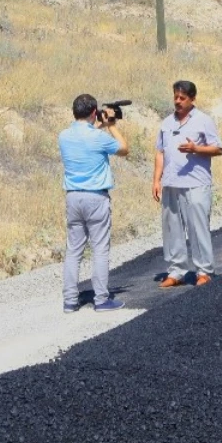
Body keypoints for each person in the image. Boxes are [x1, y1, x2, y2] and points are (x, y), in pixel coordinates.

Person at [59, 93, 130, 312]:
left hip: (73, 196)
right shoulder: (99, 137)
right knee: (100, 249)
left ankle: (70, 301)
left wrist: (96, 125)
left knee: (74, 251)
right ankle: (101, 299)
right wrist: (111, 125)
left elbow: (84, 138)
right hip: (96, 197)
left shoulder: (64, 135)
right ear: (93, 112)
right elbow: (124, 149)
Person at [153, 80, 222, 288]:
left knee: (197, 227)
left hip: (196, 183)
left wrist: (196, 149)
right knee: (172, 228)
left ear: (192, 99)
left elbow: (218, 149)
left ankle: (204, 271)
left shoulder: (204, 121)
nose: (177, 101)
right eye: (175, 96)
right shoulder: (166, 123)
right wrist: (156, 180)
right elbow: (160, 152)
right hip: (171, 183)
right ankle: (177, 271)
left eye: (182, 98)